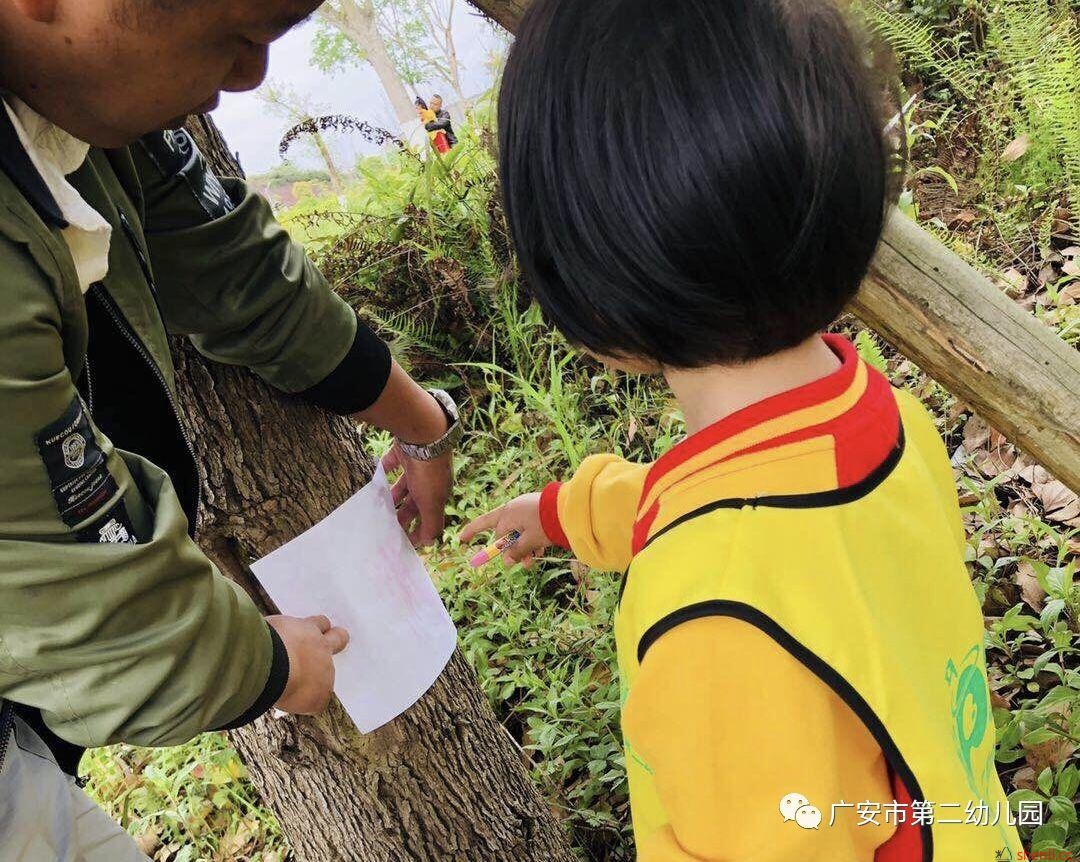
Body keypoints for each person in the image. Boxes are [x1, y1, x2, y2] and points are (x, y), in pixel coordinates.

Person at [461, 0, 1024, 859]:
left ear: (585, 269)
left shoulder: (711, 626)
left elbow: (730, 550)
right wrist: (565, 513)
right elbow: (735, 514)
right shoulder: (880, 419)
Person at [0, 1, 463, 858]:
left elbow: (234, 265)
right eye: (242, 33)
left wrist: (423, 426)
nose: (247, 79)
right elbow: (84, 604)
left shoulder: (84, 106)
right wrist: (273, 667)